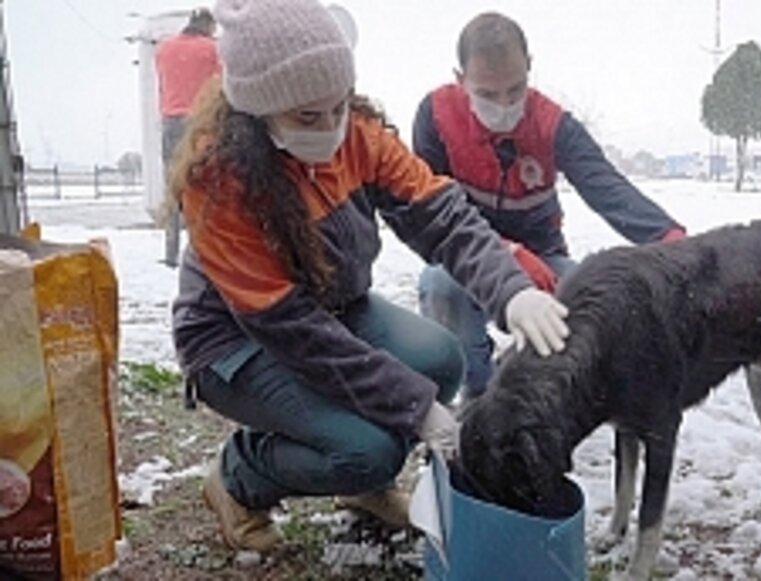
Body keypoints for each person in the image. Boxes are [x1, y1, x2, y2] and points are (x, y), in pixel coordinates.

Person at [169, 0, 570, 553]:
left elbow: (441, 214)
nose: (331, 129)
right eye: (308, 117)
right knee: (365, 448)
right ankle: (240, 476)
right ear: (257, 111)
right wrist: (415, 407)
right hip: (239, 341)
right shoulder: (220, 183)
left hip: (333, 305)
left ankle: (363, 490)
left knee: (440, 360)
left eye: (338, 106)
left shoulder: (357, 133)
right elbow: (294, 331)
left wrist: (512, 291)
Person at [413, 12, 686, 398]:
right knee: (440, 286)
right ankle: (478, 393)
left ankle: (546, 397)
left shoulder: (553, 124)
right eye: (487, 95)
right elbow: (429, 213)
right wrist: (505, 253)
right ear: (461, 81)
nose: (504, 105)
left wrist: (672, 240)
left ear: (530, 68)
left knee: (588, 300)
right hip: (464, 259)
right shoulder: (436, 117)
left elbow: (607, 187)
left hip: (544, 258)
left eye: (515, 89)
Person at [155, 7, 220, 267]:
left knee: (173, 190)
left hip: (170, 121)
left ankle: (170, 252)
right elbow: (221, 86)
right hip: (200, 122)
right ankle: (201, 252)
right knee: (203, 187)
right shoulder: (212, 49)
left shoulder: (163, 49)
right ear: (208, 26)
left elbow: (162, 85)